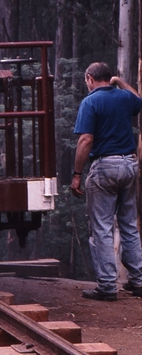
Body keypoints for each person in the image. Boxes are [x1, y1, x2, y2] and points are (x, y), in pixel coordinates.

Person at [71, 62, 142, 301]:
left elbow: (86, 140)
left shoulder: (90, 102)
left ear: (90, 78)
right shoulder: (123, 97)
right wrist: (119, 81)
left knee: (101, 227)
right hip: (130, 164)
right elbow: (138, 100)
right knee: (129, 224)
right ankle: (139, 280)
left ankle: (107, 286)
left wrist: (77, 173)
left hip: (105, 166)